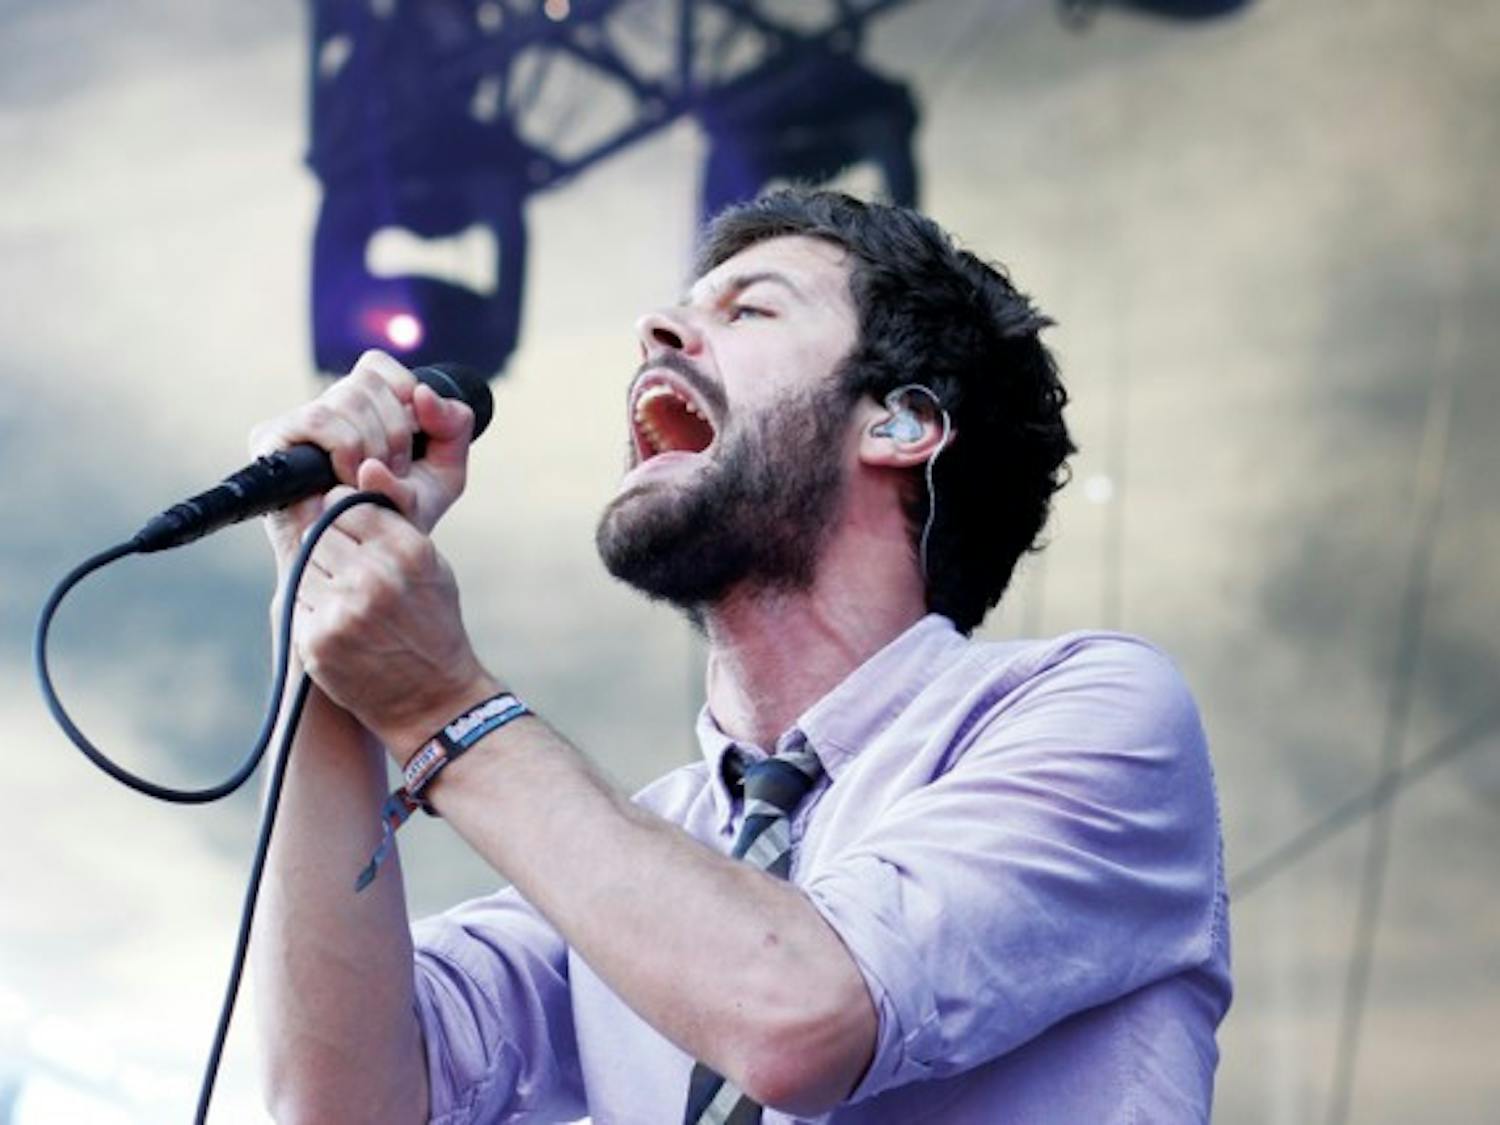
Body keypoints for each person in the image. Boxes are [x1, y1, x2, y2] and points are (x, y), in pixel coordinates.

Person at [251, 189, 1231, 1124]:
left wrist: (440, 704)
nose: (657, 331)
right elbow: (345, 1100)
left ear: (900, 423)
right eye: (680, 311)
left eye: (750, 308)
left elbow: (799, 1015)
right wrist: (326, 615)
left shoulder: (1095, 710)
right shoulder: (642, 850)